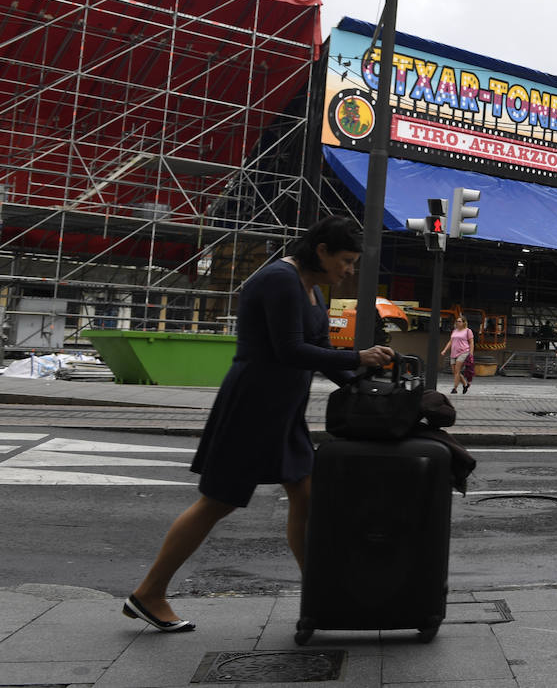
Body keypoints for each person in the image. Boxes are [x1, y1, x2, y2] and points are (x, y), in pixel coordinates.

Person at [123, 215, 394, 633]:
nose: (349, 270)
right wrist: (357, 358)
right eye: (346, 260)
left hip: (283, 412)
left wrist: (365, 382)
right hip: (252, 407)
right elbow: (290, 350)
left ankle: (321, 594)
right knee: (218, 501)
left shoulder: (311, 288)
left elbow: (319, 347)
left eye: (354, 262)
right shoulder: (278, 280)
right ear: (321, 251)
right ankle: (149, 593)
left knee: (307, 495)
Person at [440, 314, 474, 394]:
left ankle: (454, 388)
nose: (458, 323)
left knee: (457, 370)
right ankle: (465, 384)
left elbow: (471, 342)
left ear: (464, 323)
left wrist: (471, 353)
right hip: (453, 353)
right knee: (454, 372)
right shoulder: (454, 331)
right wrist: (444, 350)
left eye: (459, 321)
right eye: (457, 321)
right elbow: (450, 341)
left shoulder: (468, 331)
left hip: (463, 352)